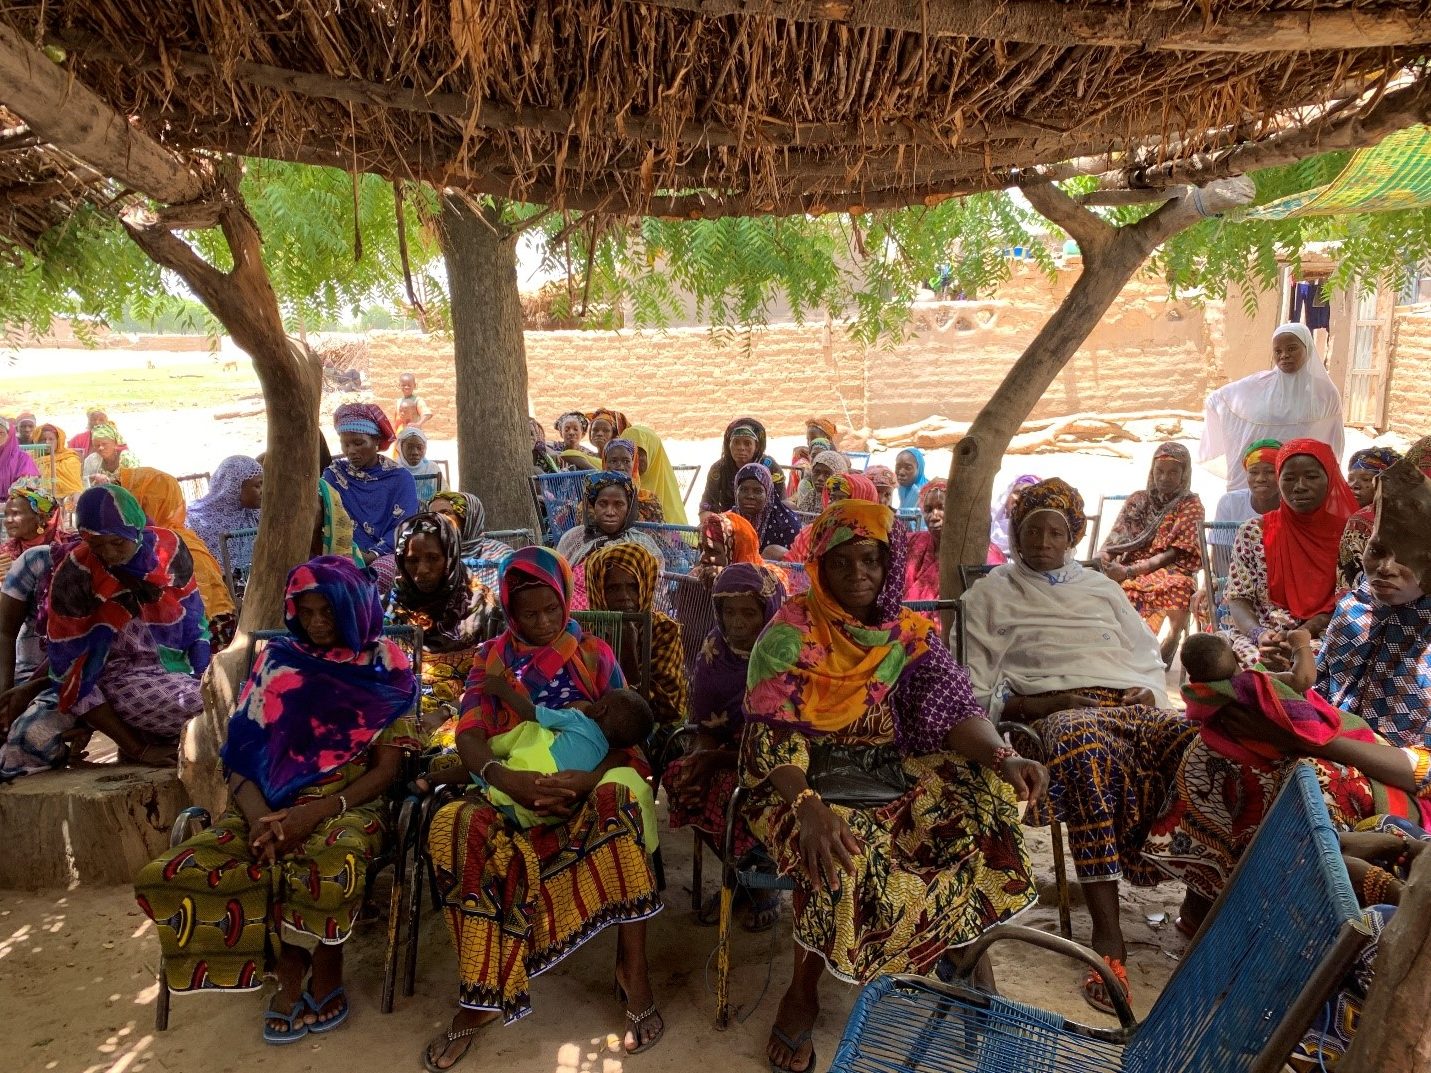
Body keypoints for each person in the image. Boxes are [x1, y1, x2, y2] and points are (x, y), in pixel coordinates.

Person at [742, 501, 1043, 1073]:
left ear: (888, 565)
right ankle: (802, 990)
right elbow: (768, 739)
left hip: (890, 769)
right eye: (842, 563)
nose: (859, 574)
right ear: (820, 567)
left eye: (872, 561)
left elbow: (954, 709)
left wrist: (1005, 756)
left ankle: (967, 952)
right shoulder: (788, 636)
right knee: (843, 855)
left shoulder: (907, 634)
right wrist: (808, 807)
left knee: (979, 820)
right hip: (793, 782)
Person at [134, 555, 418, 1043]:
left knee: (332, 866)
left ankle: (325, 961)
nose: (315, 623)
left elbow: (388, 770)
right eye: (305, 612)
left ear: (354, 608)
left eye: (326, 612)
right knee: (173, 871)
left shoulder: (386, 665)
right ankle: (285, 958)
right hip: (262, 802)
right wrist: (264, 819)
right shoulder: (278, 661)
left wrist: (313, 813)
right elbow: (240, 757)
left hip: (347, 803)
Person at [1145, 457, 1431, 929]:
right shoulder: (1359, 606)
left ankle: (1289, 928)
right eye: (1378, 550)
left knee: (1306, 778)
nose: (1385, 569)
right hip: (1330, 735)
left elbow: (1420, 768)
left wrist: (1313, 741)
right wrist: (1282, 680)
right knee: (1212, 747)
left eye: (1410, 559)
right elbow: (1329, 691)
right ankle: (1205, 905)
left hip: (1398, 776)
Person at [422, 547, 664, 1069]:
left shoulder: (594, 654)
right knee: (452, 825)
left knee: (618, 799)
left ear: (564, 599)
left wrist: (584, 780)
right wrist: (510, 780)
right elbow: (470, 737)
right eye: (529, 614)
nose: (543, 622)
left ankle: (633, 969)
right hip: (510, 779)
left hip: (589, 779)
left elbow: (627, 735)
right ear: (510, 611)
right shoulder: (491, 660)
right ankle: (481, 991)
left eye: (552, 609)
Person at [960, 478, 1195, 1012]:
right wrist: (1028, 708)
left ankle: (1200, 905)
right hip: (1055, 712)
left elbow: (1145, 655)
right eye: (1031, 531)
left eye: (1055, 532)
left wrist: (1147, 691)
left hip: (1125, 704)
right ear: (1016, 536)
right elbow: (976, 685)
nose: (1043, 542)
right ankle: (1107, 934)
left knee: (1202, 747)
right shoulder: (991, 592)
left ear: (1072, 537)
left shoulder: (1102, 588)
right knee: (1083, 749)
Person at [3, 486, 209, 774]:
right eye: (98, 546)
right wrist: (140, 749)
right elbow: (70, 671)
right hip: (112, 678)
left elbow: (196, 624)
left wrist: (206, 676)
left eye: (117, 543)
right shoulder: (76, 575)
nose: (109, 555)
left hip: (172, 670)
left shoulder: (167, 551)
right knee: (211, 713)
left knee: (225, 699)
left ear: (137, 529)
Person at [664, 563, 787, 930]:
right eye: (729, 611)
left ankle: (763, 884)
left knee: (745, 797)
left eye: (748, 612)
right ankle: (740, 876)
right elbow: (706, 722)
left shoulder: (785, 654)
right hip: (727, 751)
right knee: (683, 782)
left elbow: (784, 742)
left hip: (779, 762)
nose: (736, 622)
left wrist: (714, 758)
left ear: (767, 610)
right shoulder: (713, 651)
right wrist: (698, 758)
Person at [1221, 438, 1359, 668]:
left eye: (1312, 477)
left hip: (1325, 635)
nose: (1300, 486)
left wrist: (1302, 634)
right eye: (1289, 478)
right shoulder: (1254, 531)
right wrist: (1259, 634)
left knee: (1318, 665)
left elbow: (1351, 603)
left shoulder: (1351, 536)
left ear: (1330, 478)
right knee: (1250, 662)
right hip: (1263, 636)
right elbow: (1238, 598)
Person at [475, 676, 655, 830]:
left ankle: (481, 768)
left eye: (599, 700)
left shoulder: (578, 719)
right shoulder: (605, 753)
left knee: (531, 730)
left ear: (601, 709)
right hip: (546, 815)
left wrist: (504, 690)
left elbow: (530, 712)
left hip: (523, 781)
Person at [386, 513, 503, 742]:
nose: (422, 570)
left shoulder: (484, 610)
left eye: (433, 559)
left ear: (450, 556)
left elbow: (495, 682)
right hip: (401, 712)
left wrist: (444, 712)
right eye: (411, 560)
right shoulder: (389, 611)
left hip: (466, 709)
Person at [1200, 322, 1344, 493]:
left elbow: (1332, 441)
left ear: (1308, 348)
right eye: (1278, 351)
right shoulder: (1259, 385)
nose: (1284, 355)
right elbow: (1220, 399)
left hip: (1299, 481)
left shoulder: (1325, 393)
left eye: (1292, 349)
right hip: (1261, 477)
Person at [1099, 442, 1206, 662]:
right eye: (1160, 471)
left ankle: (1171, 637)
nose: (1165, 478)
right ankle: (1120, 649)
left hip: (1170, 566)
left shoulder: (1190, 504)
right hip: (1129, 564)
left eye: (1173, 472)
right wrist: (1105, 558)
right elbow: (1117, 537)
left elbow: (1174, 553)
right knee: (1106, 587)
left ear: (1184, 474)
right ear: (1152, 471)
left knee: (1177, 586)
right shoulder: (1138, 499)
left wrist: (1130, 571)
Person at [116, 467, 239, 648]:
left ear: (143, 503)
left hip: (205, 640)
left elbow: (205, 616)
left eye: (125, 501)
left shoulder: (176, 546)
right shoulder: (131, 544)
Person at [585, 542, 689, 728]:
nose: (624, 596)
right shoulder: (585, 631)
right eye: (612, 588)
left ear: (645, 585)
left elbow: (666, 709)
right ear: (598, 591)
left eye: (633, 586)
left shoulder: (662, 629)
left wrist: (629, 653)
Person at [322, 402, 420, 564]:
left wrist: (374, 554)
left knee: (382, 572)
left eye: (358, 443)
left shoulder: (400, 478)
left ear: (376, 441)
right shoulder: (335, 475)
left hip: (387, 555)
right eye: (345, 444)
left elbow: (404, 526)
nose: (351, 451)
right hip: (341, 554)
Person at [554, 471, 664, 573]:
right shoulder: (572, 539)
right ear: (593, 506)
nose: (610, 512)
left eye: (619, 504)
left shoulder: (644, 544)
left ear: (629, 509)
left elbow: (656, 586)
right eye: (603, 503)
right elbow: (558, 579)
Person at [1337, 446, 1404, 590]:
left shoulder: (1359, 521)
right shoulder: (1342, 514)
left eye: (1366, 479)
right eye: (1350, 479)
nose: (1354, 486)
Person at [427, 490, 516, 589]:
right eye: (431, 515)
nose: (437, 520)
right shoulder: (425, 555)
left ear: (467, 519)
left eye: (445, 513)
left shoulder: (501, 554)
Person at [185, 455, 263, 565]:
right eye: (257, 486)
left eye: (263, 484)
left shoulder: (256, 515)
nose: (263, 491)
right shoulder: (196, 522)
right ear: (233, 488)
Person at [700, 417, 785, 515]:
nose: (741, 448)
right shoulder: (719, 468)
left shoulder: (770, 467)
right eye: (736, 442)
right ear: (728, 445)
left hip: (766, 523)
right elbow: (706, 504)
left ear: (756, 447)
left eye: (747, 443)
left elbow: (782, 504)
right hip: (729, 523)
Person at [1209, 438, 1282, 546]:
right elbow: (1220, 553)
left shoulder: (1295, 505)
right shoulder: (1230, 503)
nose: (1260, 478)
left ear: (1282, 474)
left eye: (1270, 472)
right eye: (1253, 472)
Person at [734, 462, 803, 558]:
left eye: (758, 491)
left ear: (768, 494)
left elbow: (795, 567)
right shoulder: (728, 521)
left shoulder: (788, 524)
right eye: (744, 490)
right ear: (736, 491)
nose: (750, 496)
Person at [626, 424, 689, 526]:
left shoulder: (668, 494)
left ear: (653, 454)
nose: (634, 459)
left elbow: (678, 536)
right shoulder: (613, 487)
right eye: (629, 452)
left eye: (640, 453)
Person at [2, 477, 62, 579]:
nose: (8, 520)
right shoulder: (6, 552)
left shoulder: (65, 548)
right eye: (6, 515)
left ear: (41, 518)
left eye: (16, 514)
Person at [693, 510, 764, 587]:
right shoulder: (699, 575)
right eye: (701, 549)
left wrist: (728, 575)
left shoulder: (767, 582)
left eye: (712, 551)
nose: (702, 558)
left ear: (735, 552)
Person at [602, 438, 665, 523]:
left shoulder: (649, 499)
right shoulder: (593, 499)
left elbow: (660, 533)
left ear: (634, 464)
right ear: (605, 464)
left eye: (626, 461)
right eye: (613, 461)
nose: (620, 467)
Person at [989, 474, 1040, 558]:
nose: (1019, 498)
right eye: (1016, 492)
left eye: (1026, 494)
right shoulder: (987, 528)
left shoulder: (1039, 538)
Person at [81, 421, 139, 486]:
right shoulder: (92, 460)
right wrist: (92, 477)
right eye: (97, 445)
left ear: (115, 443)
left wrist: (110, 481)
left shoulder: (127, 458)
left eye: (104, 444)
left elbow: (136, 482)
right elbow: (82, 481)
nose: (100, 448)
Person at [35, 424, 84, 500]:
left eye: (51, 439)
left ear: (59, 441)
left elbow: (74, 488)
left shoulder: (70, 459)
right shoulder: (30, 457)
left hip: (65, 500)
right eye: (43, 439)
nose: (47, 442)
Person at [791, 449, 849, 513]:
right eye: (816, 472)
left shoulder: (843, 501)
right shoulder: (810, 498)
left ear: (839, 476)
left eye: (827, 474)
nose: (820, 478)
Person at [0, 418, 40, 494]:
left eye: (0, 433)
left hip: (12, 503)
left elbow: (28, 488)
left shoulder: (22, 459)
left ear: (9, 436)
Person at [893, 448, 929, 513]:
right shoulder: (903, 488)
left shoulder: (924, 494)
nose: (901, 472)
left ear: (919, 469)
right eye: (898, 467)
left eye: (908, 468)